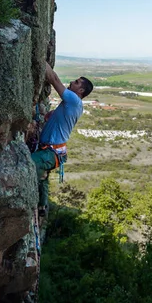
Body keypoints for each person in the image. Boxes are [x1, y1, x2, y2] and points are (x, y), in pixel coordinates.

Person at [31, 63, 93, 215]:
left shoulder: (74, 100)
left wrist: (42, 62)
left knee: (28, 164)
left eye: (76, 82)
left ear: (81, 90)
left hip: (51, 152)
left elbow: (54, 79)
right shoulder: (74, 104)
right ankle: (42, 207)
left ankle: (33, 203)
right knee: (42, 177)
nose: (72, 82)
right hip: (55, 152)